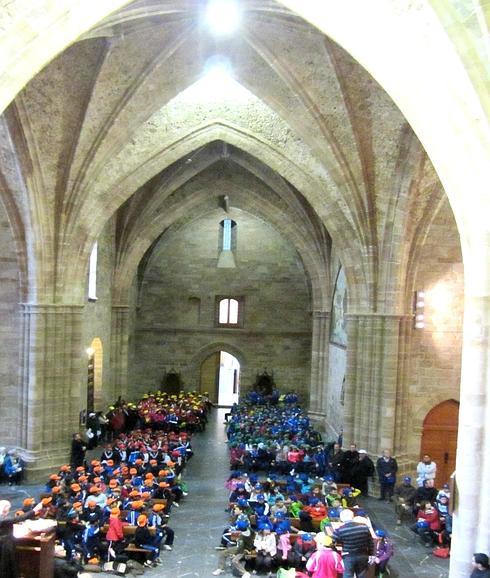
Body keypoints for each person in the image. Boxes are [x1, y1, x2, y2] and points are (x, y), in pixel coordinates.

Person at [0, 499, 43, 577]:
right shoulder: (2, 519)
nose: (8, 511)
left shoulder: (3, 517)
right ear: (4, 508)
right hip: (5, 545)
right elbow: (18, 519)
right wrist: (34, 510)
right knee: (6, 565)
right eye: (8, 509)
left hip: (6, 543)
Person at [332, 509, 374, 578]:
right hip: (363, 555)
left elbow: (333, 542)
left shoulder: (339, 530)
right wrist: (370, 554)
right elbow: (370, 542)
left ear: (341, 518)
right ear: (353, 516)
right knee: (362, 575)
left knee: (348, 575)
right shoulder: (364, 527)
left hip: (348, 556)